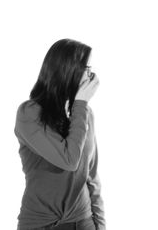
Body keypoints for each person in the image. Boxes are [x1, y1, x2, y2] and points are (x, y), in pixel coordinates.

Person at [14, 39, 105, 230]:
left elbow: (92, 175)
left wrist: (100, 225)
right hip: (41, 224)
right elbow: (69, 160)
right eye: (85, 68)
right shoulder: (29, 113)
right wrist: (80, 105)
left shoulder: (85, 115)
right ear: (66, 70)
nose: (90, 76)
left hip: (83, 221)